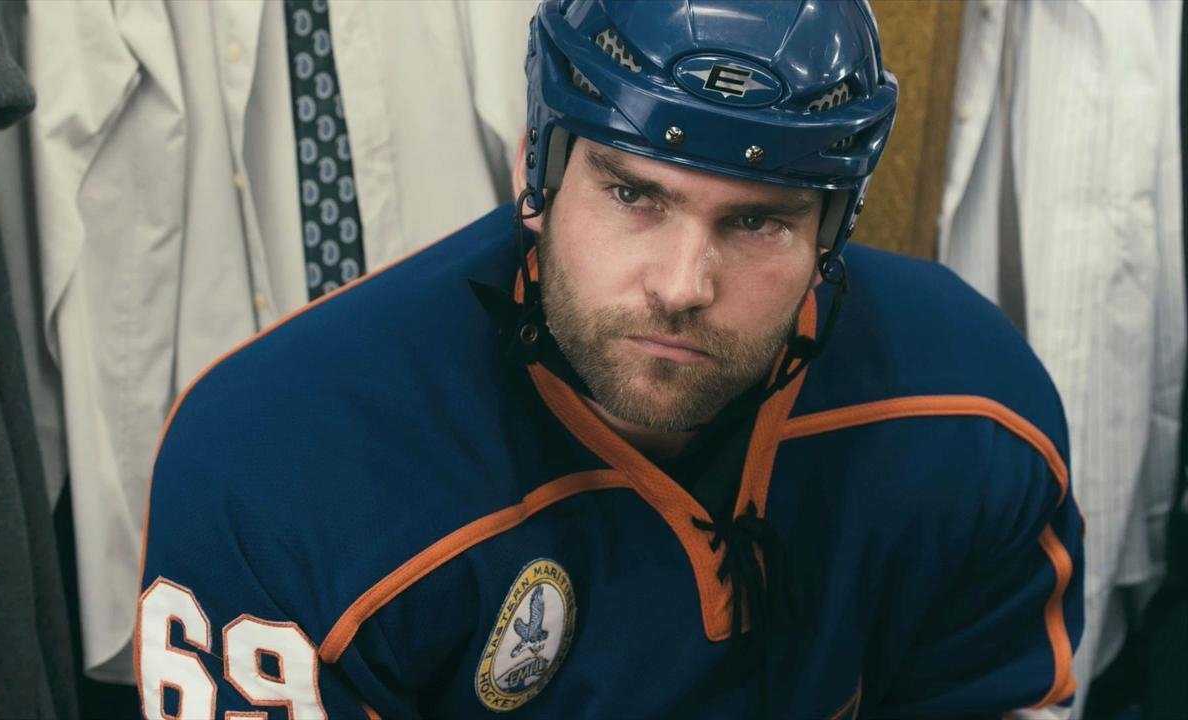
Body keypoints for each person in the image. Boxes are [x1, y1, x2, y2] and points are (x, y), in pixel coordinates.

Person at [135, 1, 1084, 717]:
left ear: (831, 233)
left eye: (758, 221)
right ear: (536, 169)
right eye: (634, 195)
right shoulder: (273, 465)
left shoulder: (971, 404)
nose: (682, 284)